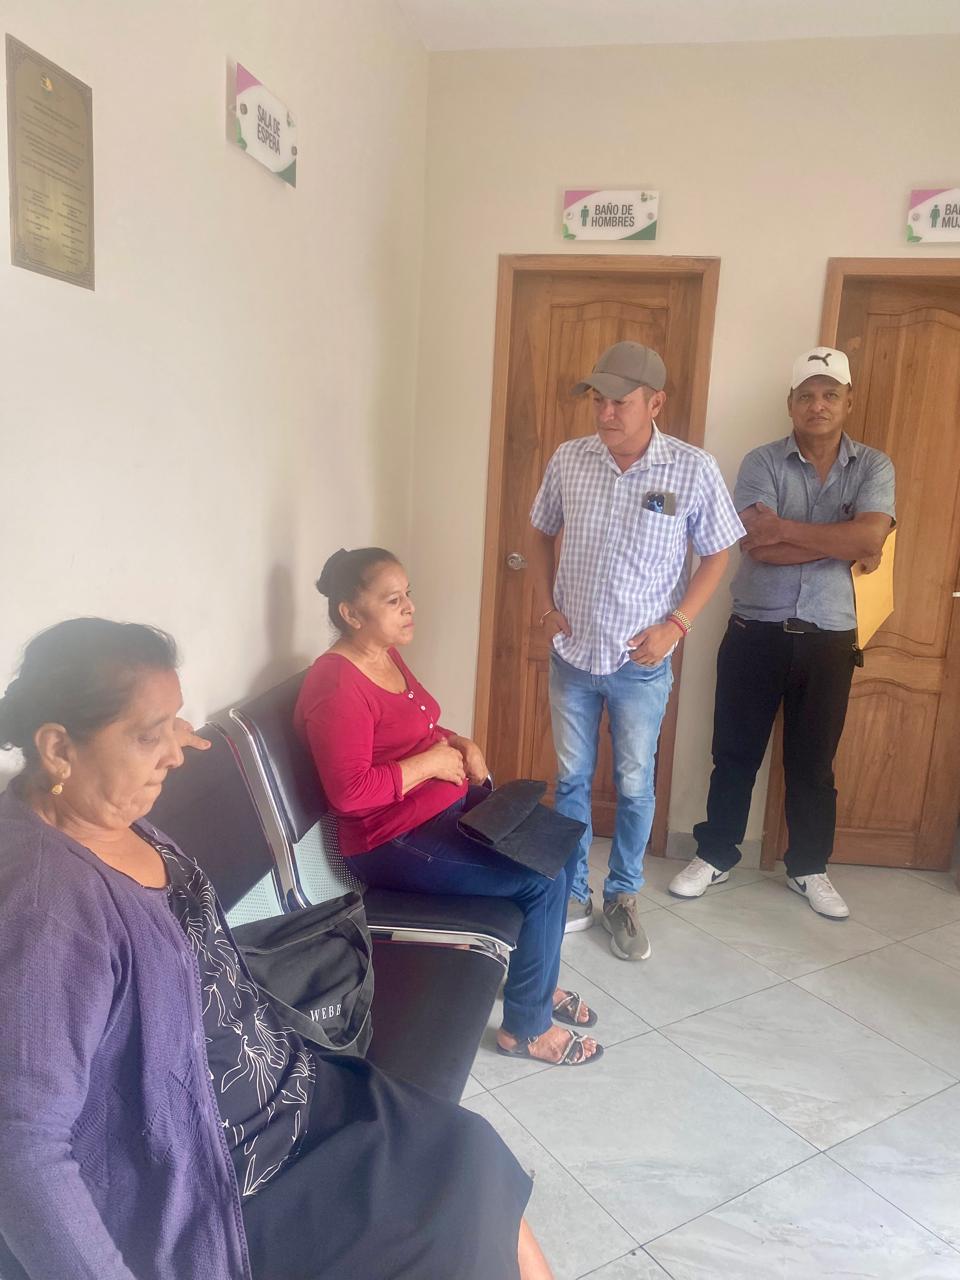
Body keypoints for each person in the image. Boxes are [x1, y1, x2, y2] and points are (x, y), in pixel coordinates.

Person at [0, 617, 554, 1280]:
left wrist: (159, 728)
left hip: (293, 1091)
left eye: (176, 723)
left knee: (470, 1152)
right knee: (449, 1222)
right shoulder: (46, 908)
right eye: (151, 735)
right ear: (58, 748)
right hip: (234, 1177)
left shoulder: (107, 813)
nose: (175, 753)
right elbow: (22, 1148)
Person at [295, 547, 602, 1069]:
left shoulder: (384, 654)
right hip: (391, 839)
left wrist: (460, 743)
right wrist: (431, 764)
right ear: (351, 613)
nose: (409, 607)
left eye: (408, 594)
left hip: (441, 810)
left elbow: (416, 728)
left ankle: (533, 980)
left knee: (561, 845)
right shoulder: (336, 685)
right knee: (543, 879)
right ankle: (526, 1029)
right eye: (393, 600)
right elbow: (350, 792)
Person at [528, 341, 744, 960]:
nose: (605, 413)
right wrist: (545, 607)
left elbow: (718, 553)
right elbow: (538, 532)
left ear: (656, 403)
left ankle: (623, 895)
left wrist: (676, 625)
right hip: (573, 655)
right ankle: (573, 891)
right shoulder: (570, 459)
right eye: (598, 400)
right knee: (571, 780)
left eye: (620, 402)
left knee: (633, 783)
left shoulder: (691, 469)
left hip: (640, 663)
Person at [670, 347, 896, 919]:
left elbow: (870, 540)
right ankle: (716, 855)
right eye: (807, 395)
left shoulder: (874, 467)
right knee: (734, 753)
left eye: (830, 394)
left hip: (830, 638)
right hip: (756, 631)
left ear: (848, 401)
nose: (818, 405)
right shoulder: (760, 462)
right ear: (791, 403)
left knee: (814, 764)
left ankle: (808, 867)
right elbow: (757, 546)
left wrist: (794, 532)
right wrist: (839, 538)